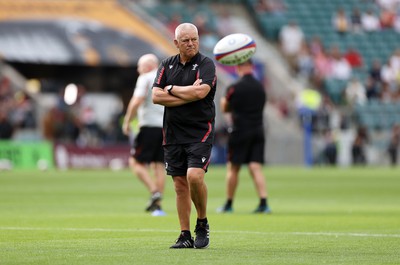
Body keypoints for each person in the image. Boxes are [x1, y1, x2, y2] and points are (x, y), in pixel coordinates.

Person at [152, 23, 217, 249]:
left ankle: (202, 222)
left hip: (200, 131)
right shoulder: (166, 64)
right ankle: (184, 234)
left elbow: (201, 92)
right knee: (180, 185)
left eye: (194, 39)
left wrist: (171, 89)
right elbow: (155, 97)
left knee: (194, 176)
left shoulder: (206, 64)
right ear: (176, 43)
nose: (191, 44)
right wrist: (187, 93)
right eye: (186, 40)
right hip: (173, 133)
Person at [217, 59, 271, 214]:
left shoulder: (235, 86)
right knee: (255, 167)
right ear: (252, 67)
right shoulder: (260, 87)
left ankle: (228, 204)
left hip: (240, 130)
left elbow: (225, 108)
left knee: (233, 168)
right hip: (258, 130)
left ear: (238, 67)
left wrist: (223, 102)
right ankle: (264, 202)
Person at [122, 54, 166, 216]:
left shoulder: (145, 77)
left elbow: (137, 100)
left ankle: (155, 191)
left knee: (135, 162)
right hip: (165, 128)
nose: (138, 70)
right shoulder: (166, 77)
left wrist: (127, 121)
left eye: (139, 66)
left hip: (149, 127)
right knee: (158, 166)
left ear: (148, 66)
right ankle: (158, 207)